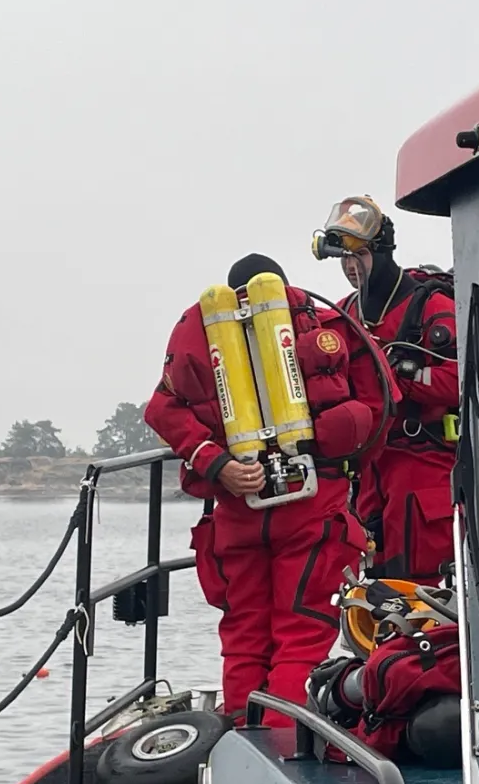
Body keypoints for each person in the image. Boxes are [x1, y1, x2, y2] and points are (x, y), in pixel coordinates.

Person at [144, 253, 398, 724]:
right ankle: (282, 745)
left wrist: (217, 464)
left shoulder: (201, 333)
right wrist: (346, 465)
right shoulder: (325, 323)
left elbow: (161, 409)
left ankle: (242, 734)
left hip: (239, 506)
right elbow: (382, 404)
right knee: (302, 632)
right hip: (311, 503)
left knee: (243, 635)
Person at [314, 195, 460, 585]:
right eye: (344, 258)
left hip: (423, 461)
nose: (351, 267)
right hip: (369, 469)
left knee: (423, 577)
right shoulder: (344, 313)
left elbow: (461, 381)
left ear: (381, 252)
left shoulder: (431, 307)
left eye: (359, 256)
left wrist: (399, 376)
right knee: (372, 576)